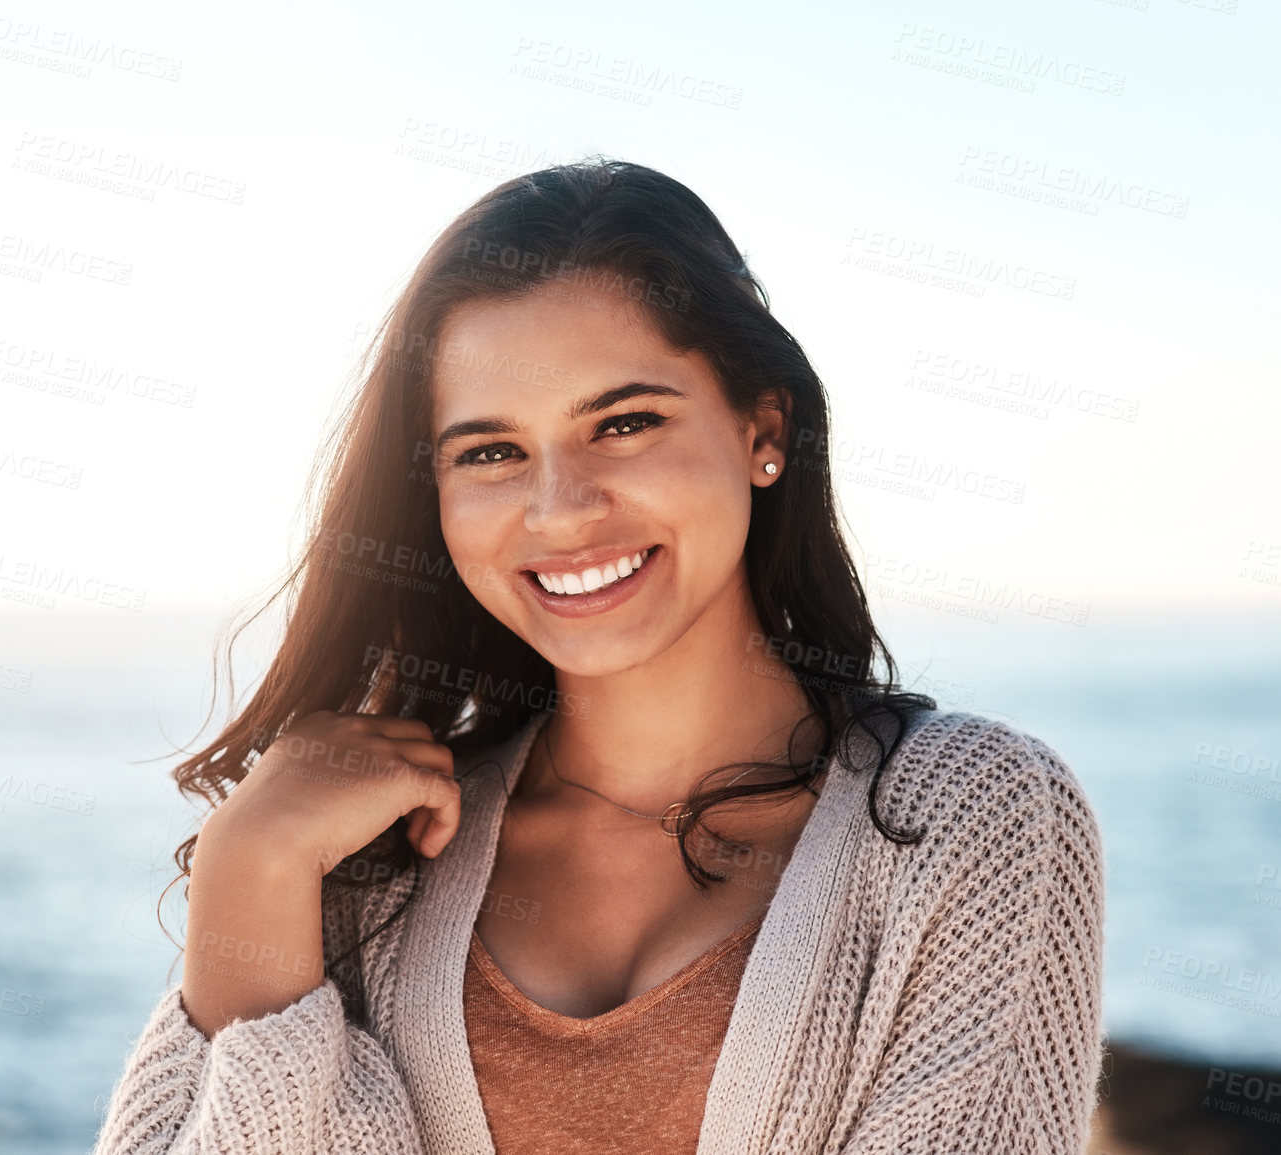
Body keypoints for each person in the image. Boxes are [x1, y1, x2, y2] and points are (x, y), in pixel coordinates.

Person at [90, 158, 1106, 1154]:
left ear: (764, 429)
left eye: (624, 423)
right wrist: (248, 866)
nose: (560, 510)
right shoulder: (362, 861)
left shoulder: (968, 817)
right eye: (489, 451)